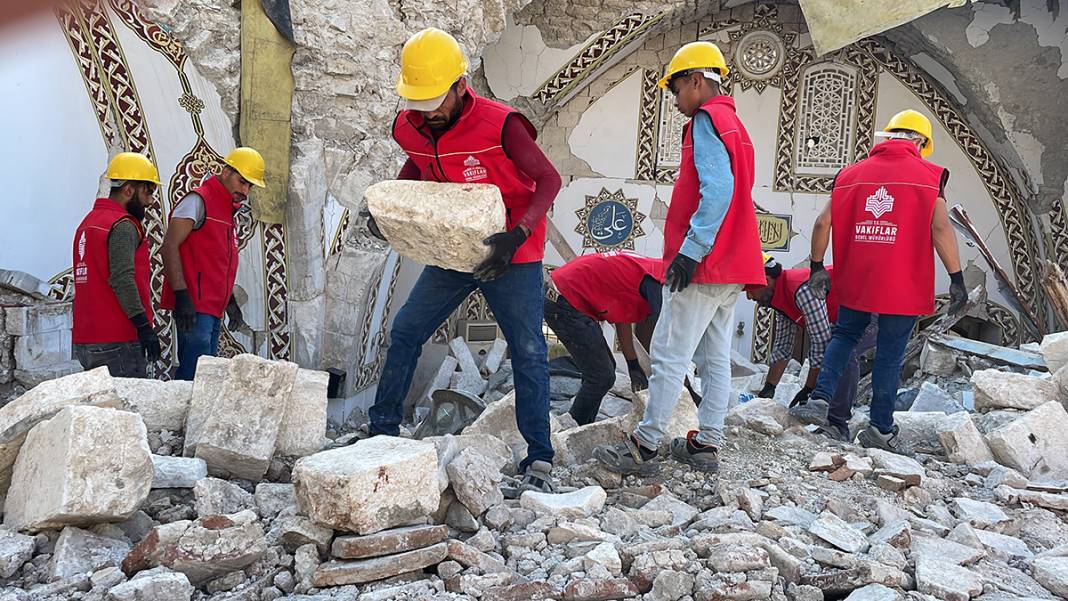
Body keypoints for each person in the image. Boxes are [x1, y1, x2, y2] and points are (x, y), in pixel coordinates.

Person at [364, 28, 562, 493]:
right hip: (452, 252)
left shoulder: (502, 125)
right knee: (407, 329)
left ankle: (539, 458)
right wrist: (391, 210)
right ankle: (381, 431)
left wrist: (517, 235)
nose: (428, 111)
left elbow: (548, 180)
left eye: (436, 99)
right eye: (419, 102)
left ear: (460, 84)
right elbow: (415, 166)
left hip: (512, 253)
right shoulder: (409, 124)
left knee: (530, 351)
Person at [594, 41, 765, 476]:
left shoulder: (706, 120)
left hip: (705, 263)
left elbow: (719, 191)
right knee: (715, 359)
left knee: (669, 354)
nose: (674, 101)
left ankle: (645, 446)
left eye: (676, 89)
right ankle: (707, 444)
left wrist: (690, 252)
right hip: (733, 265)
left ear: (696, 80)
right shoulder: (736, 125)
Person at [806, 109, 967, 453]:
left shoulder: (848, 174)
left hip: (857, 278)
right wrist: (956, 279)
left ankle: (820, 399)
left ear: (888, 137)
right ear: (920, 142)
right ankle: (880, 429)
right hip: (903, 283)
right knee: (890, 355)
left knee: (845, 335)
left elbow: (822, 224)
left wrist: (817, 267)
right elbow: (941, 229)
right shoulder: (930, 176)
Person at [747, 254, 876, 440]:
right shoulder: (781, 295)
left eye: (750, 290)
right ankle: (834, 420)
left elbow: (820, 342)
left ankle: (838, 425)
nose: (749, 296)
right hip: (851, 314)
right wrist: (769, 388)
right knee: (839, 348)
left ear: (765, 281)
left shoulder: (801, 288)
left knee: (843, 352)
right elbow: (783, 346)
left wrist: (808, 388)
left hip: (873, 306)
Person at [161, 147, 263, 380]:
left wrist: (231, 304)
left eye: (250, 186)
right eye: (242, 182)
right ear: (226, 172)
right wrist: (182, 296)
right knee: (193, 376)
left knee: (203, 377)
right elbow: (169, 247)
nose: (245, 190)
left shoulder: (227, 210)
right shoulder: (199, 200)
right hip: (194, 307)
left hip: (212, 308)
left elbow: (217, 264)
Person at [545, 251, 662, 425]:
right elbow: (668, 335)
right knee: (601, 375)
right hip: (564, 300)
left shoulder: (649, 271)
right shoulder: (657, 284)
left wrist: (633, 366)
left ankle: (583, 425)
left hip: (565, 295)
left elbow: (623, 320)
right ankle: (573, 430)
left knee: (603, 371)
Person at [72, 153, 161, 377]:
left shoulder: (88, 222)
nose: (150, 201)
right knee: (128, 408)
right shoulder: (123, 225)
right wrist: (143, 327)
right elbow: (122, 279)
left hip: (87, 338)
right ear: (128, 190)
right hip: (118, 339)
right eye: (147, 191)